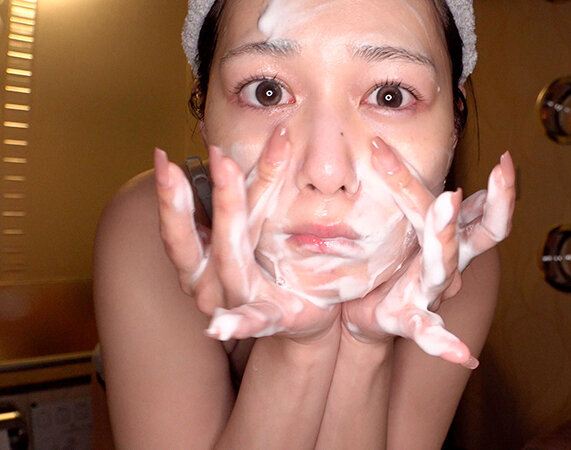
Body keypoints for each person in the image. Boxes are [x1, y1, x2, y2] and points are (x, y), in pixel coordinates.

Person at [93, 0, 515, 447]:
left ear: (454, 124)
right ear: (205, 115)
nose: (326, 172)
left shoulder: (463, 265)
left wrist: (363, 347)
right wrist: (299, 350)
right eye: (267, 92)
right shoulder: (155, 227)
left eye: (389, 95)